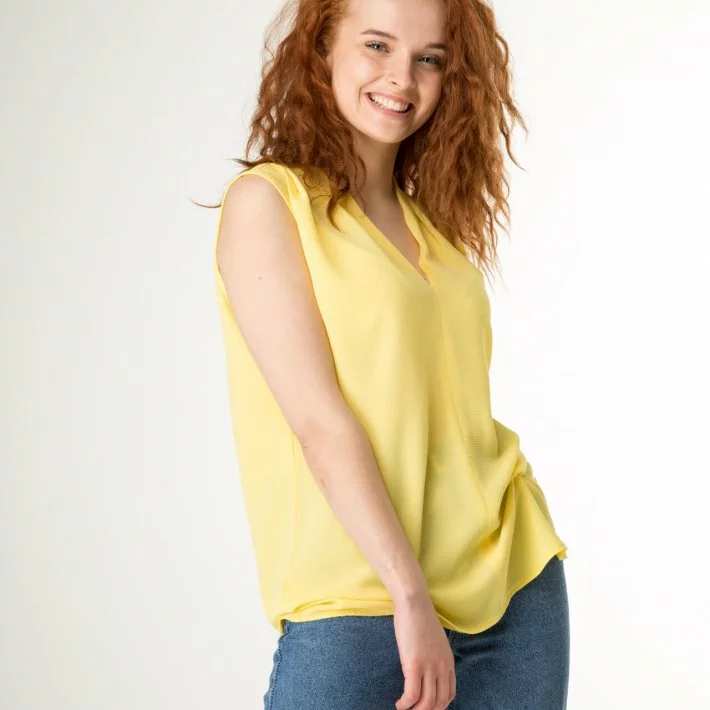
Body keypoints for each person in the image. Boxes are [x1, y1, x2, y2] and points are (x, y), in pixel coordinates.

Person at [206, 0, 570, 707]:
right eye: (377, 45)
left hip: (513, 590)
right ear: (322, 46)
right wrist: (409, 594)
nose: (402, 77)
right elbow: (319, 423)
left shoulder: (432, 229)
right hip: (361, 601)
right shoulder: (270, 204)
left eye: (429, 58)